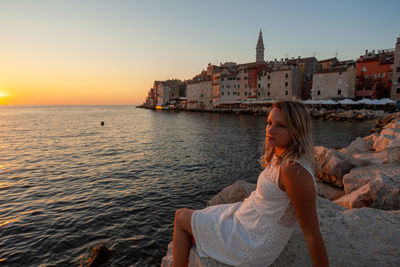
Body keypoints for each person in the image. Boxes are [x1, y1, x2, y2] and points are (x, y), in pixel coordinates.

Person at [172, 101, 329, 267]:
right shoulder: (282, 153)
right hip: (250, 220)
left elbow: (312, 233)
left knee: (180, 216)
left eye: (281, 126)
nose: (270, 130)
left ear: (296, 130)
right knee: (204, 217)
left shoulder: (293, 171)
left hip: (253, 241)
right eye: (269, 123)